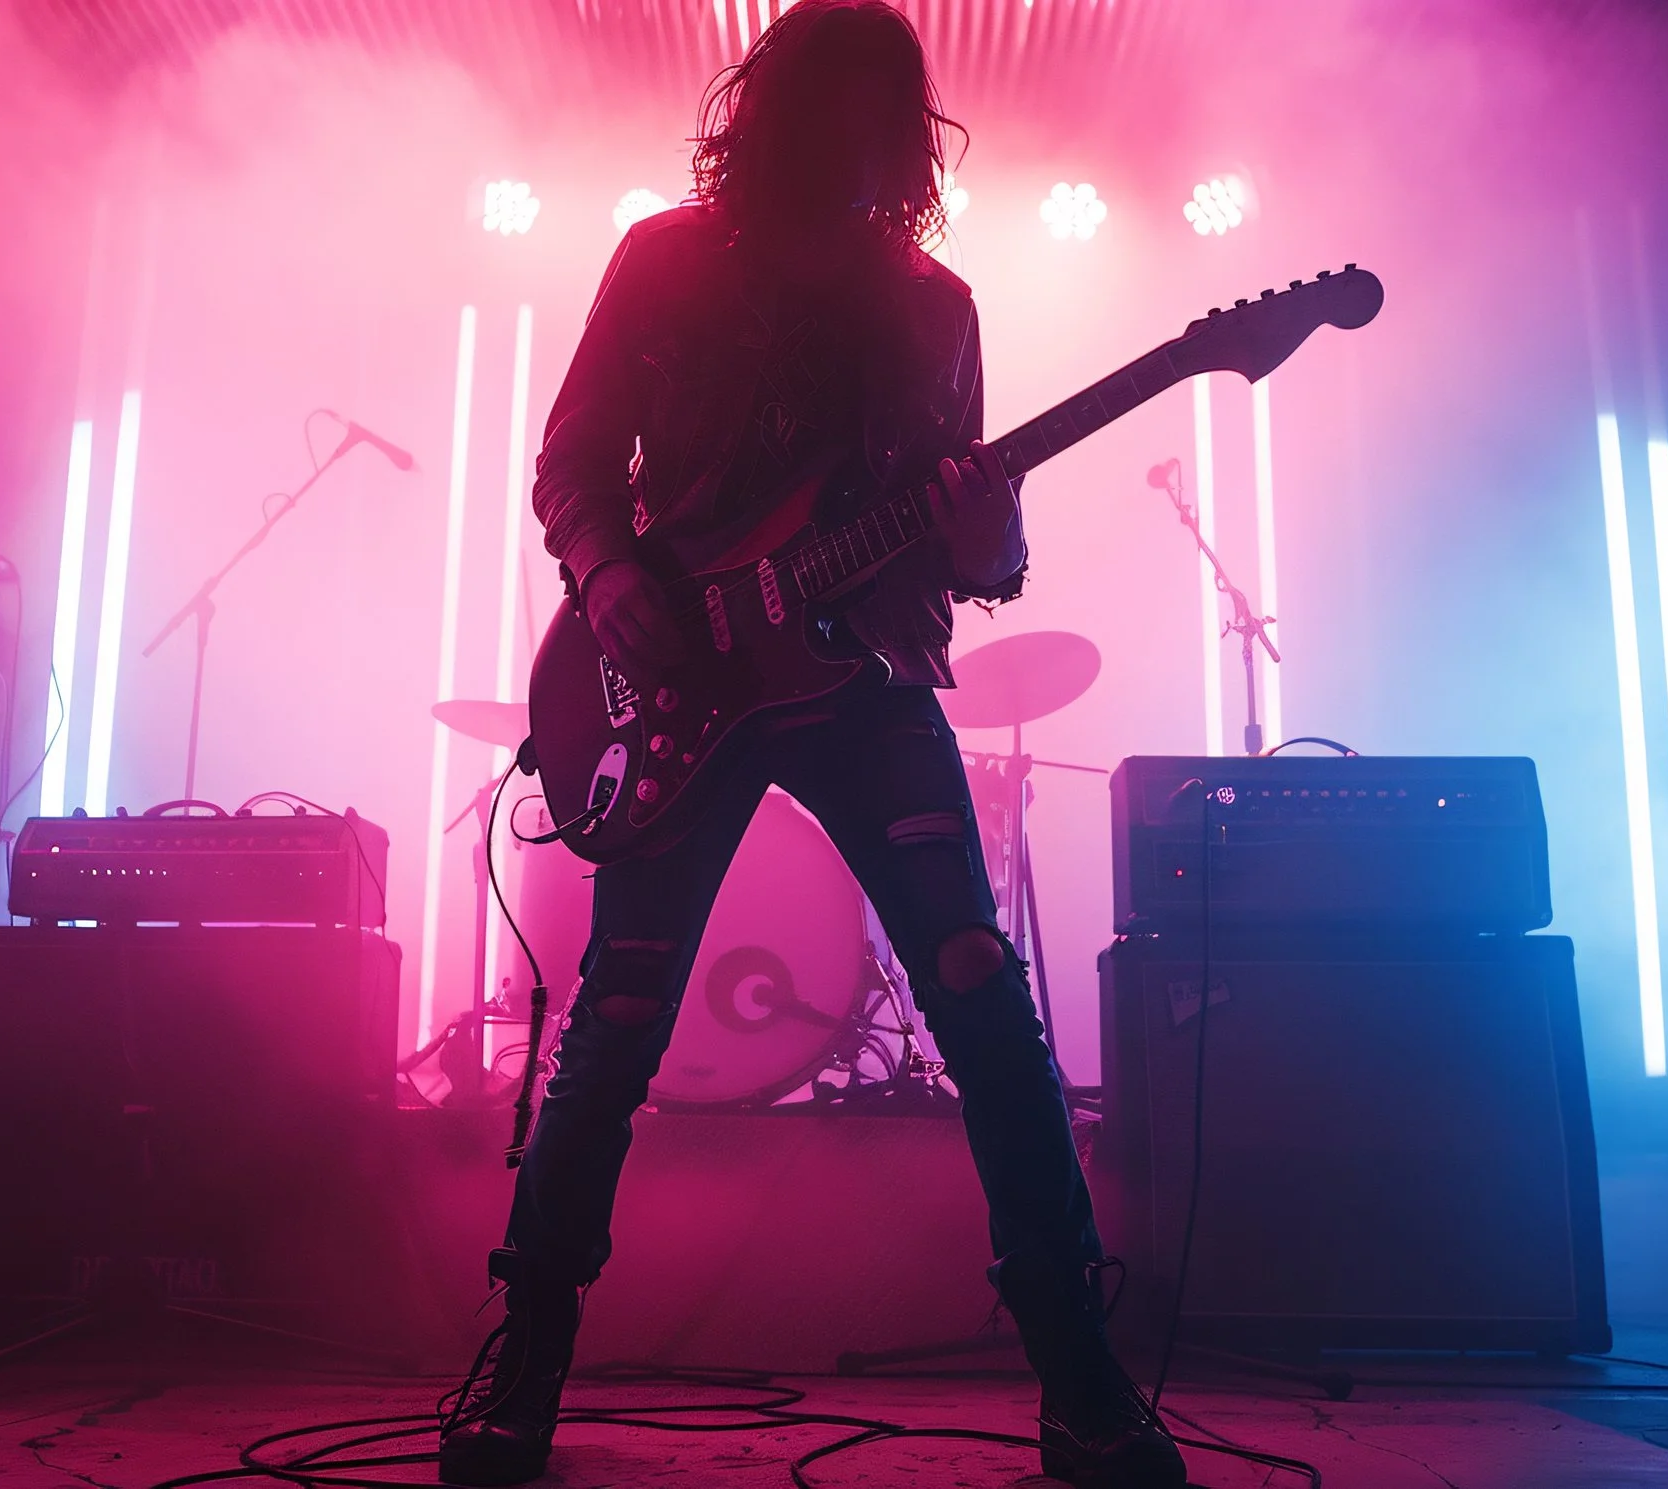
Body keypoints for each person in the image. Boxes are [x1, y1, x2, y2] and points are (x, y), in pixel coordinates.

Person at [439, 5, 1186, 1486]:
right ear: (771, 114)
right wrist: (608, 572)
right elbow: (574, 461)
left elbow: (984, 557)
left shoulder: (935, 307)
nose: (856, 140)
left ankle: (1082, 1379)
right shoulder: (667, 259)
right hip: (675, 678)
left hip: (869, 680)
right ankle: (524, 1364)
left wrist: (984, 529)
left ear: (907, 139)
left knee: (978, 989)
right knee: (618, 1014)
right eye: (830, 109)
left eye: (880, 116)